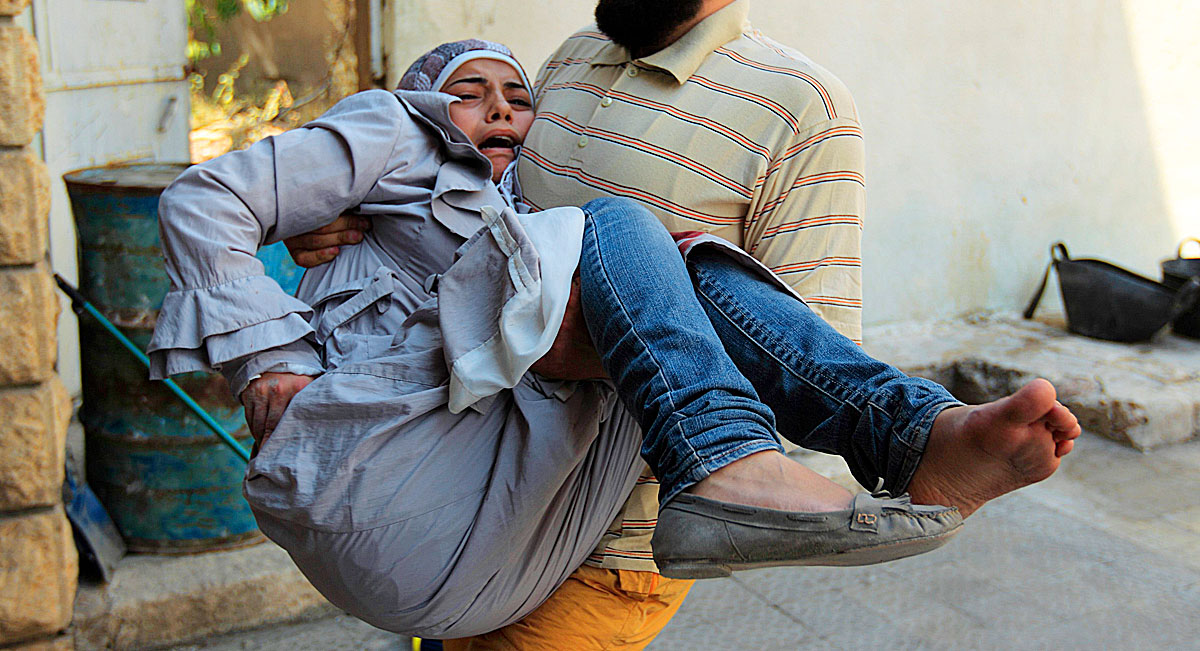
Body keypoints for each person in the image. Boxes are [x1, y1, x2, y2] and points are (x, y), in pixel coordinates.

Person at [282, 0, 1083, 647]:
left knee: (673, 260)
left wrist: (570, 342)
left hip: (604, 543)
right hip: (467, 472)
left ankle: (911, 436)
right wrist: (350, 217)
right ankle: (913, 434)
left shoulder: (800, 108)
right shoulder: (566, 65)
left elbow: (801, 346)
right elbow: (486, 211)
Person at [149, 39, 992, 638]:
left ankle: (909, 432)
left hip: (498, 550)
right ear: (419, 99)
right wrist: (271, 354)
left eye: (518, 99)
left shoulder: (516, 210)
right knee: (628, 230)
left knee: (672, 264)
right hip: (393, 478)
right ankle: (796, 448)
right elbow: (200, 202)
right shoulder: (392, 132)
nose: (503, 107)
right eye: (470, 90)